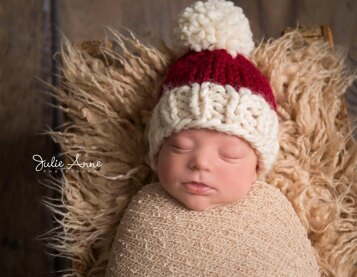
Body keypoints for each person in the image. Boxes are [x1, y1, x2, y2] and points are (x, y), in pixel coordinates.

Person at [106, 0, 320, 276]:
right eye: (180, 147)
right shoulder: (146, 212)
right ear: (157, 152)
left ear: (257, 166)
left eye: (229, 154)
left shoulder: (270, 213)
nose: (201, 163)